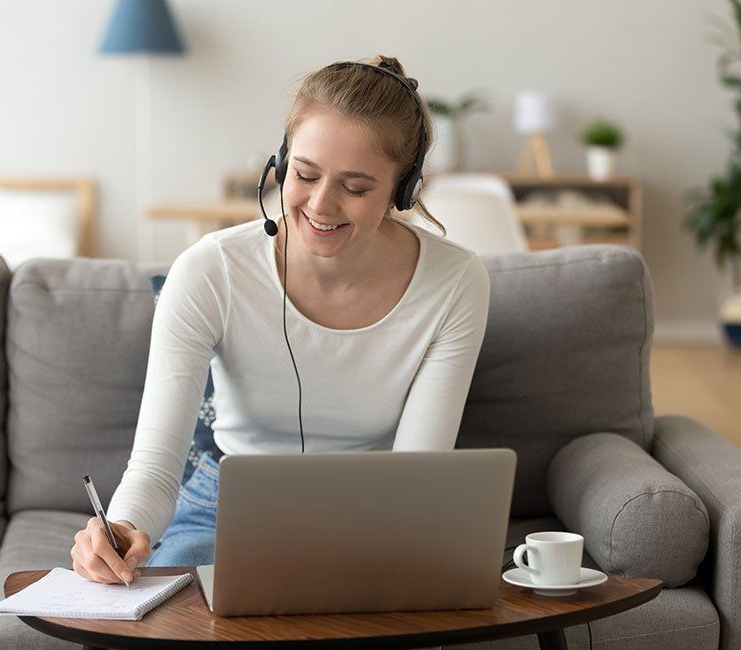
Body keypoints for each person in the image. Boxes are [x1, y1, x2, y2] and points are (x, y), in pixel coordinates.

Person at [70, 55, 491, 586]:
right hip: (222, 507)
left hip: (379, 515)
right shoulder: (210, 270)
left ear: (403, 191)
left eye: (356, 188)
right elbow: (156, 465)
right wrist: (122, 529)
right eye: (305, 174)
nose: (320, 204)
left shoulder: (454, 282)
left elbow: (416, 477)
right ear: (282, 161)